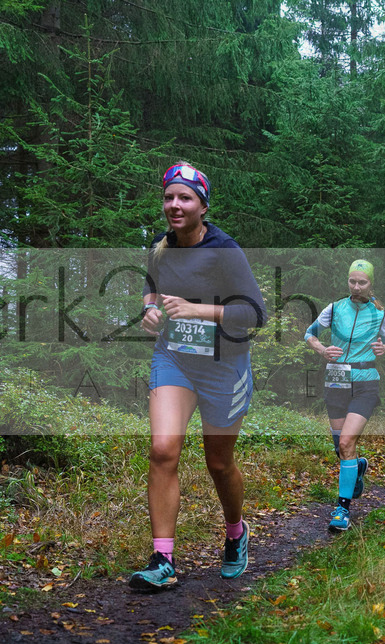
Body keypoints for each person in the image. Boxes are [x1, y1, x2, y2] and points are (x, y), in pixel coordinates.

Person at [129, 162, 267, 591]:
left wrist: (197, 310)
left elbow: (255, 315)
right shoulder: (159, 246)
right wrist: (149, 313)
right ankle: (163, 559)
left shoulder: (225, 250)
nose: (175, 205)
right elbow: (151, 293)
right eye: (169, 197)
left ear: (202, 205)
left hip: (224, 367)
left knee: (218, 462)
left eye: (185, 197)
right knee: (163, 450)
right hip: (175, 360)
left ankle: (235, 533)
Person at [304, 259, 385, 533]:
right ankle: (357, 467)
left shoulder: (379, 314)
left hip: (366, 382)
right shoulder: (334, 309)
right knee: (340, 447)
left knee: (346, 442)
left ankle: (342, 508)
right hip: (336, 380)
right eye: (352, 281)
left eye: (362, 282)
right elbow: (309, 334)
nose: (356, 287)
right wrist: (321, 349)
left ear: (371, 284)